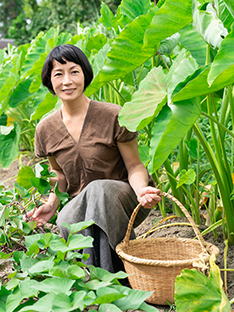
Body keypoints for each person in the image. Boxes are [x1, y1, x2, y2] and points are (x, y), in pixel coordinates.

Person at [26, 44, 161, 273]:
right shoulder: (45, 129)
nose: (67, 81)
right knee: (66, 220)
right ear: (50, 81)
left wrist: (140, 191)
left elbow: (135, 164)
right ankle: (112, 272)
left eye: (74, 71)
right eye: (58, 74)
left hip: (123, 197)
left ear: (85, 75)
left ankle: (108, 280)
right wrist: (52, 203)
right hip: (81, 204)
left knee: (99, 191)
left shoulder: (113, 115)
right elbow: (59, 174)